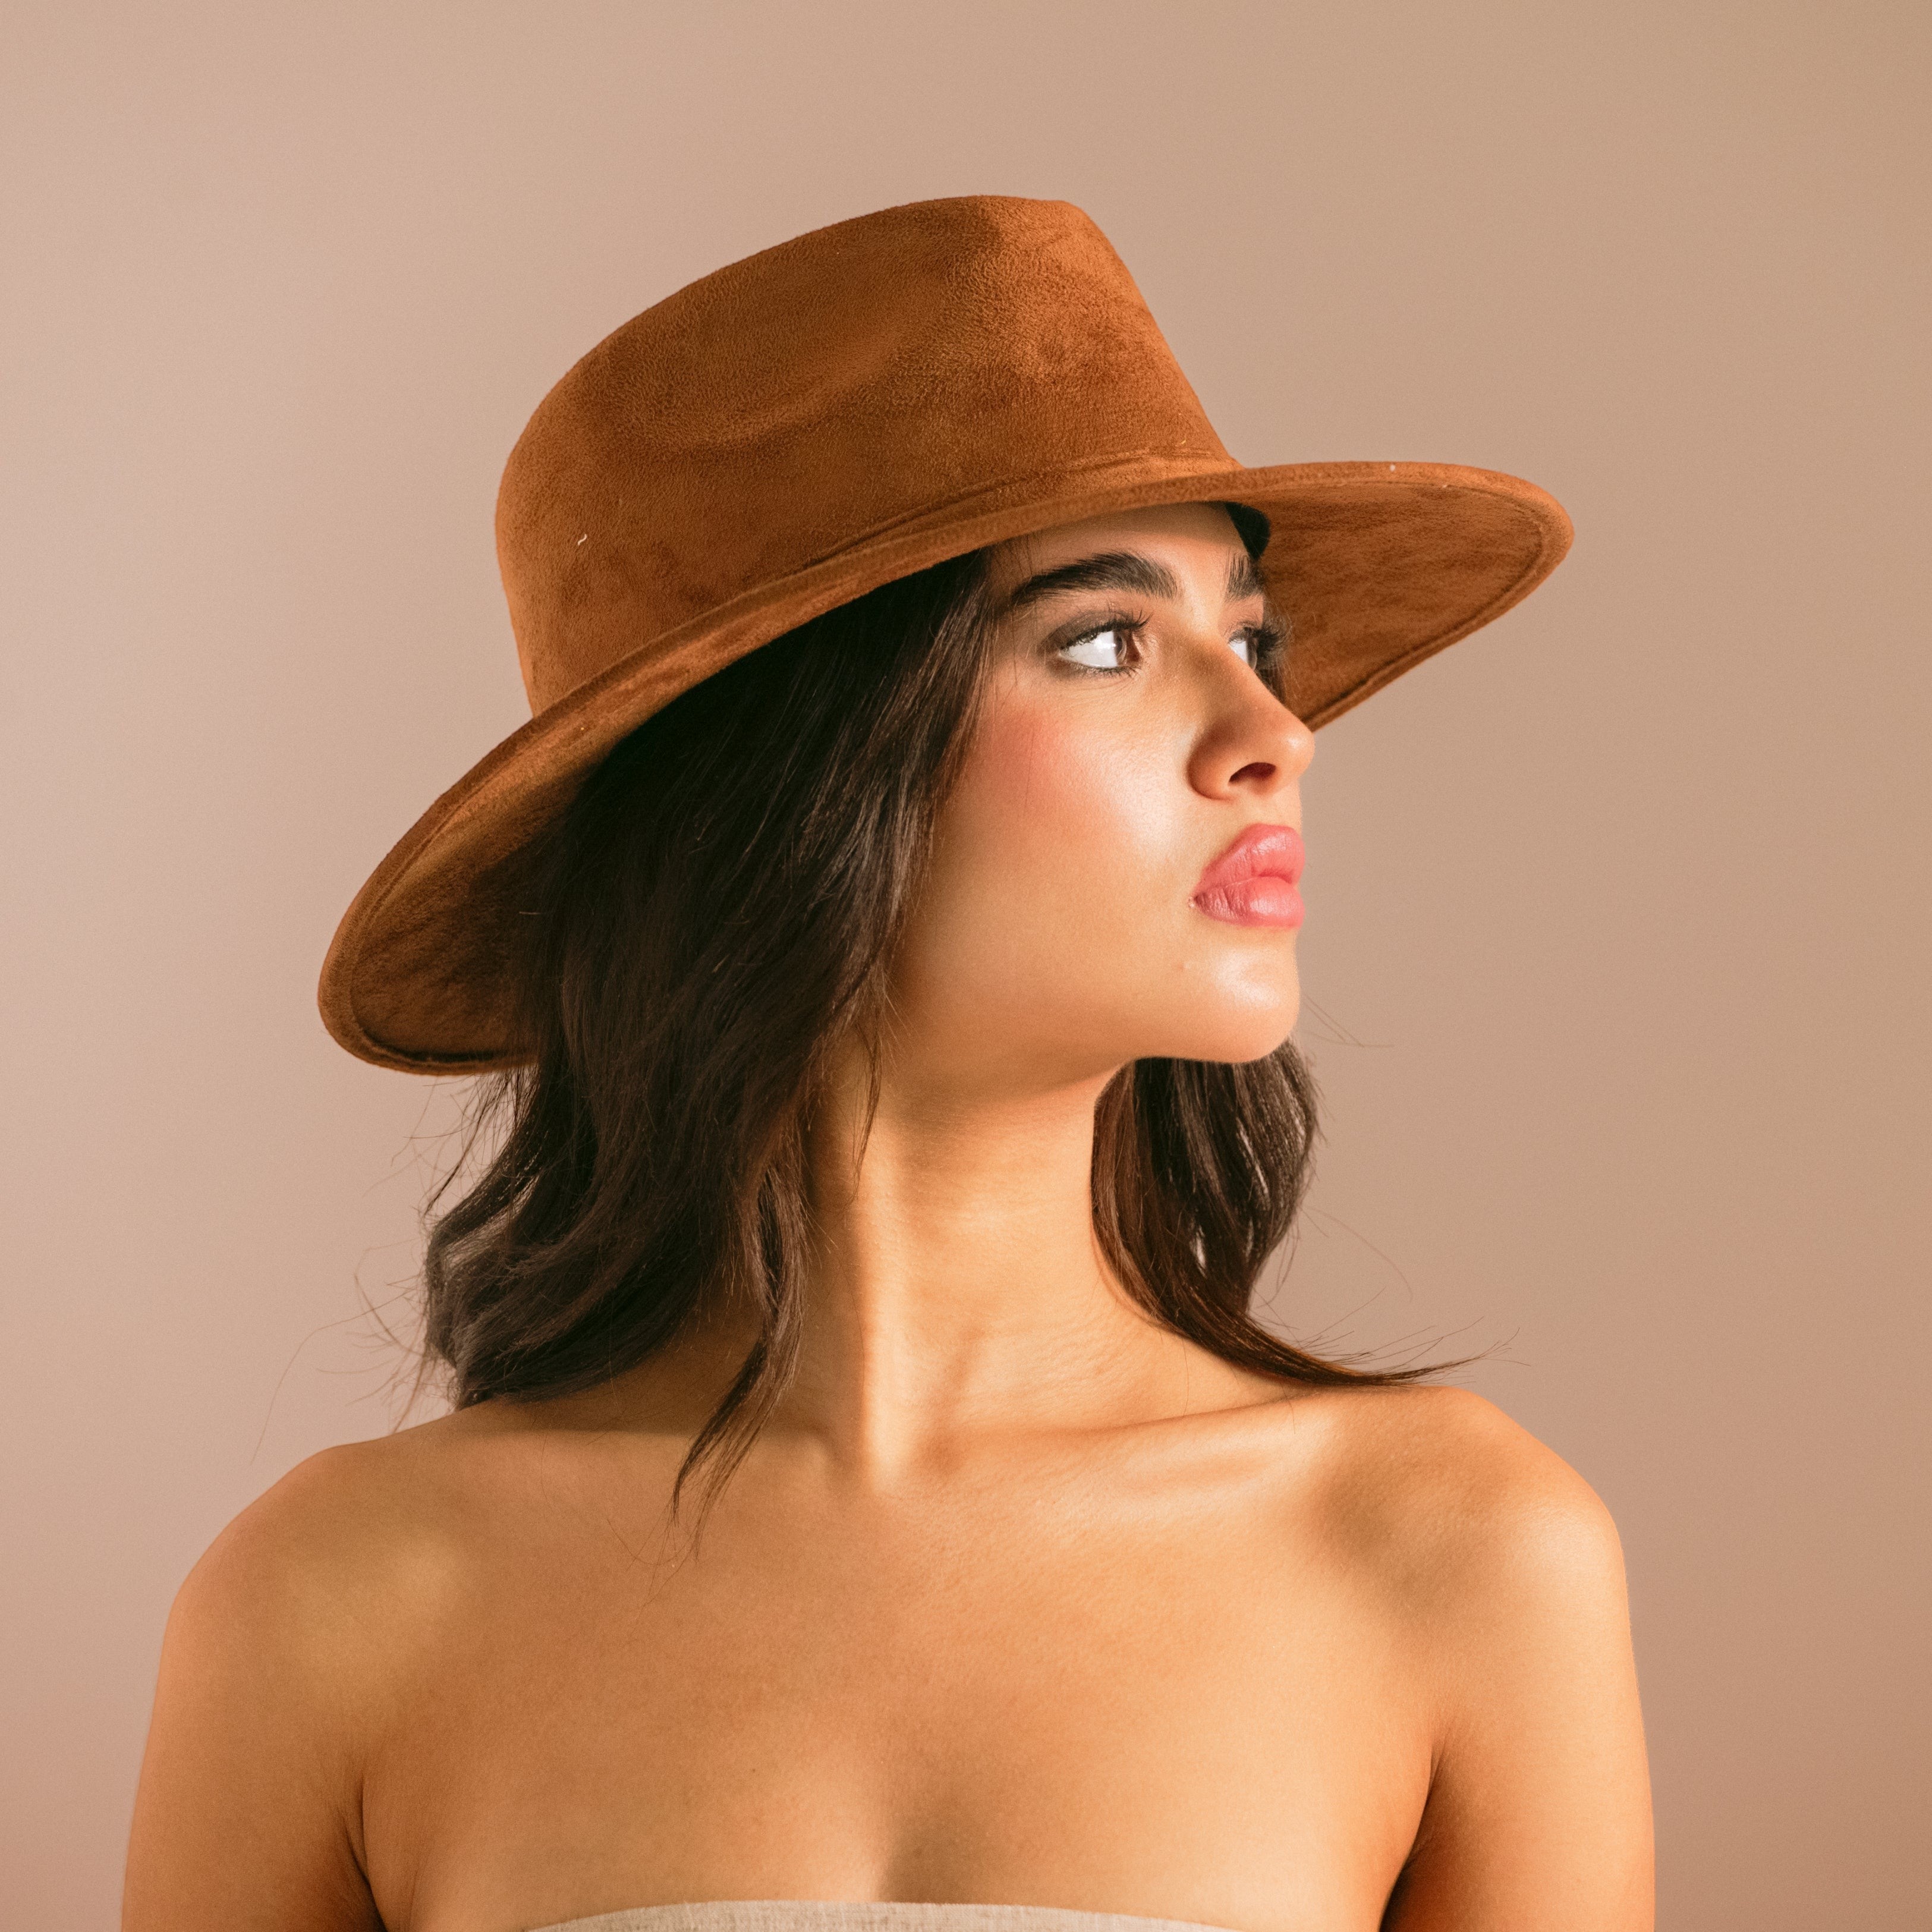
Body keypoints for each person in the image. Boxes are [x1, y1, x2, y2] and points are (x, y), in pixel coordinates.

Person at [123, 197, 1652, 1932]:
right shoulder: (333, 1602)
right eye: (1102, 639)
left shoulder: (1456, 1552)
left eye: (1253, 639)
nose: (1274, 735)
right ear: (783, 781)